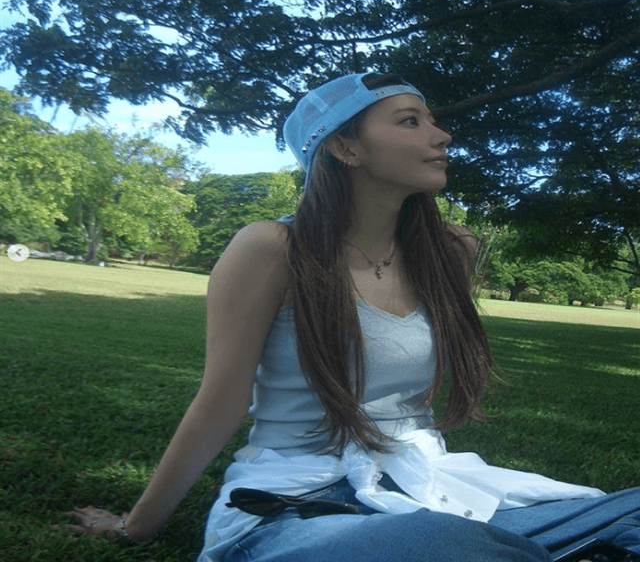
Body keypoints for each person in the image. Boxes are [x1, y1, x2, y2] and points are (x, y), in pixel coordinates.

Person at [66, 73, 639, 561]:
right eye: (410, 121)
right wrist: (135, 526)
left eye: (432, 121)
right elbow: (220, 403)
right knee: (445, 545)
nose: (441, 135)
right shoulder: (272, 249)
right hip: (297, 504)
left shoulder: (451, 250)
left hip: (424, 487)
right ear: (345, 147)